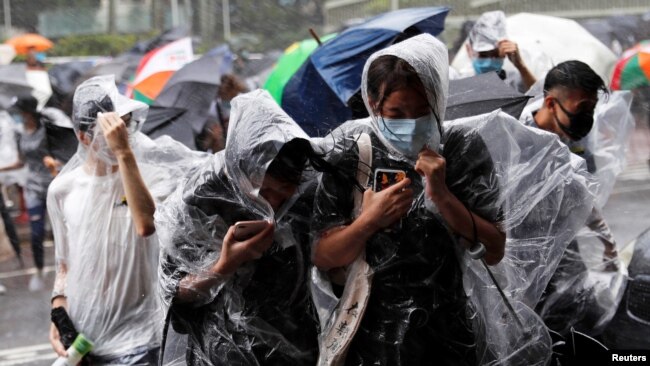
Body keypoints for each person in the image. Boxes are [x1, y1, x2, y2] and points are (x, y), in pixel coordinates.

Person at [311, 34, 506, 365]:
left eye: (421, 110)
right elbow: (324, 256)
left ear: (438, 100)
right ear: (374, 105)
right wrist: (369, 221)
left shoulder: (461, 150)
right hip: (370, 337)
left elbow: (495, 250)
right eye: (396, 112)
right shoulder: (353, 153)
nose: (410, 123)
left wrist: (442, 196)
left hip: (448, 337)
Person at [157, 89, 343, 365]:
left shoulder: (305, 195)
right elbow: (176, 295)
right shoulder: (202, 201)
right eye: (265, 192)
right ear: (240, 169)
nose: (275, 205)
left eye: (284, 194)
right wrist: (225, 265)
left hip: (297, 344)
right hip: (222, 351)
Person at [47, 75, 179, 364]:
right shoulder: (62, 190)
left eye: (127, 125)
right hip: (85, 341)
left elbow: (146, 225)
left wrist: (123, 153)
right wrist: (59, 309)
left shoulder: (153, 177)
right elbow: (65, 263)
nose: (125, 135)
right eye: (112, 131)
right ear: (83, 137)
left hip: (140, 339)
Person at [520, 60, 622, 336]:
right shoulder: (516, 137)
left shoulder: (575, 139)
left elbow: (582, 193)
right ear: (551, 103)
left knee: (579, 315)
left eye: (591, 109)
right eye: (582, 109)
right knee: (529, 325)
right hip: (519, 251)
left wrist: (605, 240)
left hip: (565, 241)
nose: (587, 117)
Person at [0, 95, 66, 291]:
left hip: (53, 184)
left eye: (19, 112)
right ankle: (39, 269)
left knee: (59, 230)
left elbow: (62, 154)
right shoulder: (21, 134)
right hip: (33, 188)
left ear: (28, 111)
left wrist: (56, 164)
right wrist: (2, 169)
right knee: (36, 233)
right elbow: (21, 161)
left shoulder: (47, 129)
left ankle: (65, 269)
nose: (17, 116)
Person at [467, 10, 536, 92]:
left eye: (496, 54)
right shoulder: (461, 83)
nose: (489, 61)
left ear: (505, 53)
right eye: (484, 55)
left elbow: (538, 95)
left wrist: (521, 66)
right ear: (469, 50)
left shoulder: (513, 82)